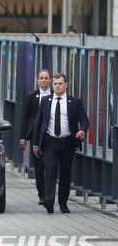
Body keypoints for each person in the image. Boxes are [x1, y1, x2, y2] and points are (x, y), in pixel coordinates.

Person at [32, 73, 89, 214]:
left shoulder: (74, 102)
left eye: (60, 84)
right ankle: (49, 200)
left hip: (67, 142)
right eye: (55, 84)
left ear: (66, 85)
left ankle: (63, 203)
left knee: (65, 174)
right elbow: (38, 124)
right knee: (50, 170)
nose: (57, 86)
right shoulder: (46, 100)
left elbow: (84, 120)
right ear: (52, 85)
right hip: (50, 142)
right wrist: (35, 144)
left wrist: (82, 131)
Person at [20, 69, 52, 205]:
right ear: (38, 80)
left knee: (50, 166)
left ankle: (50, 193)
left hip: (50, 136)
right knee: (39, 167)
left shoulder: (55, 96)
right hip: (35, 136)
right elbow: (25, 117)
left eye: (46, 78)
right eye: (41, 78)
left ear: (50, 80)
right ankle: (42, 195)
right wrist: (22, 137)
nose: (44, 80)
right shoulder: (32, 97)